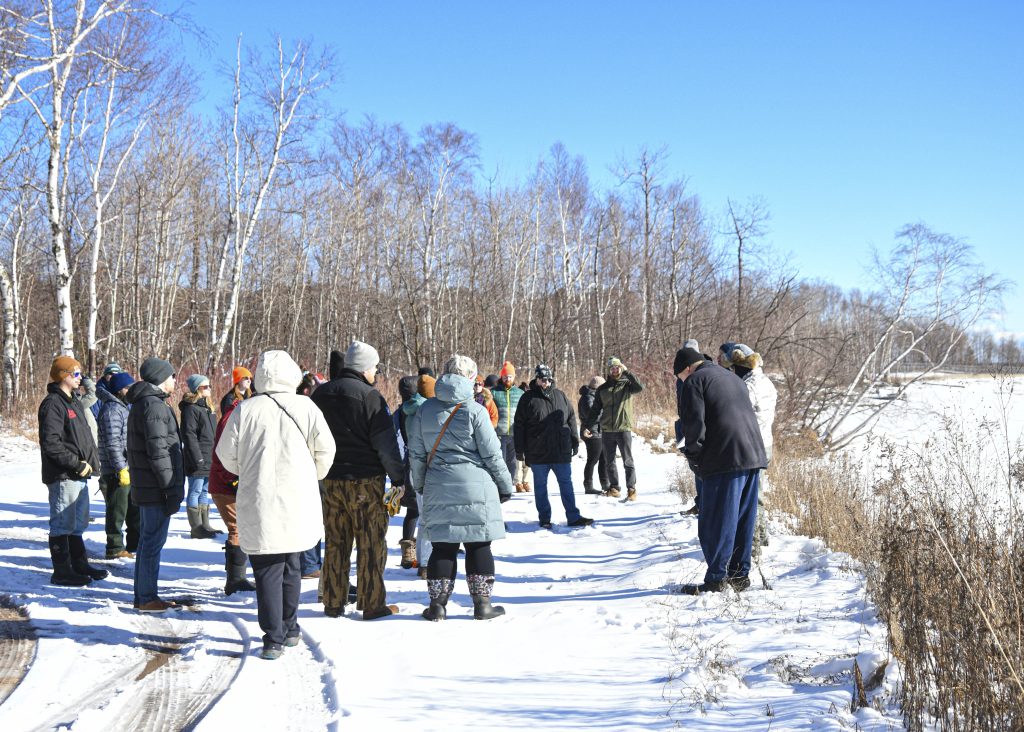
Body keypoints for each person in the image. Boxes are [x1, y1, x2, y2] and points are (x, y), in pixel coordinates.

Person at [217, 350, 335, 660]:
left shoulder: (246, 410)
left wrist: (249, 469)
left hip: (259, 496)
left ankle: (273, 637)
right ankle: (291, 627)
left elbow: (225, 454)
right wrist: (313, 474)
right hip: (298, 497)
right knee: (292, 565)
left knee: (267, 569)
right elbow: (326, 450)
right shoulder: (307, 406)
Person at [407, 354, 514, 620]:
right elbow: (492, 454)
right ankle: (482, 605)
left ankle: (437, 606)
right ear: (469, 378)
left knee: (443, 546)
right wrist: (505, 485)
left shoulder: (425, 410)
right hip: (476, 487)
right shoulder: (475, 410)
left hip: (438, 484)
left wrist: (420, 484)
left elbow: (417, 454)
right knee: (478, 545)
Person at [311, 340, 406, 620]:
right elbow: (386, 444)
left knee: (336, 540)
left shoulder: (321, 393)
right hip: (365, 481)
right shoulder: (370, 397)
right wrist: (398, 476)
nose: (376, 373)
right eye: (374, 367)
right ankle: (372, 602)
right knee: (371, 542)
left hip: (329, 479)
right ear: (364, 368)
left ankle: (332, 600)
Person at [673, 347, 767, 595]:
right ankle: (739, 575)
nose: (681, 382)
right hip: (753, 455)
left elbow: (694, 425)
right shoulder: (732, 377)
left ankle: (715, 579)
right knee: (743, 518)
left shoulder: (695, 380)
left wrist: (693, 456)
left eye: (679, 377)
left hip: (724, 458)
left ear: (685, 369)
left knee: (717, 519)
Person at [38, 356, 107, 587]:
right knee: (62, 523)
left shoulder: (74, 401)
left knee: (77, 523)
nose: (80, 378)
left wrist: (89, 464)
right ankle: (62, 571)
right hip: (64, 474)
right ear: (63, 376)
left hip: (80, 474)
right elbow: (52, 444)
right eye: (75, 374)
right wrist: (76, 463)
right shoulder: (53, 404)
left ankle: (79, 564)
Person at [127, 357, 184, 612]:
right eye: (172, 376)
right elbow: (159, 452)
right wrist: (169, 486)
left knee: (147, 542)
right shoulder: (154, 406)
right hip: (155, 488)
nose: (175, 380)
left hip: (148, 486)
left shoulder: (145, 403)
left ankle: (144, 594)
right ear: (161, 378)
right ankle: (147, 597)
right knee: (151, 543)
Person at [514, 364, 593, 529]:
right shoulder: (527, 398)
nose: (546, 382)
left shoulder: (561, 395)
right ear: (536, 379)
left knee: (566, 484)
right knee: (540, 486)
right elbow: (519, 425)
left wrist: (574, 440)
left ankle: (573, 516)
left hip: (560, 450)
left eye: (548, 379)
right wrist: (519, 449)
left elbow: (570, 419)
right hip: (538, 451)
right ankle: (544, 518)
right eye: (542, 379)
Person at [730, 344, 777, 557]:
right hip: (765, 442)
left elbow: (739, 413)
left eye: (734, 368)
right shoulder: (766, 382)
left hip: (753, 444)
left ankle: (753, 544)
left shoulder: (750, 386)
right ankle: (762, 535)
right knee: (758, 493)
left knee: (751, 495)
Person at [208, 391, 256, 595]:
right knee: (237, 528)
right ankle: (235, 579)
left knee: (239, 528)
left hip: (228, 482)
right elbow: (222, 455)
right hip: (225, 484)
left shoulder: (236, 414)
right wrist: (233, 480)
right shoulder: (233, 417)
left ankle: (235, 577)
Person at [97, 370, 140, 559]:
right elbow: (112, 442)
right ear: (121, 389)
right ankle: (114, 548)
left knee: (133, 510)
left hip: (128, 467)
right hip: (116, 470)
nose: (131, 390)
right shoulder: (112, 410)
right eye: (129, 387)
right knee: (117, 511)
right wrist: (120, 467)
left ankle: (133, 546)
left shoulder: (123, 406)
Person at [594, 356, 644, 500]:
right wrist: (590, 426)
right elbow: (595, 409)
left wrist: (627, 372)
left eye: (617, 368)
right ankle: (614, 488)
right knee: (609, 461)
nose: (615, 370)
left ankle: (631, 489)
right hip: (607, 430)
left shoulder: (627, 386)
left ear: (621, 368)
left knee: (627, 460)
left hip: (623, 429)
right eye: (612, 368)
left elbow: (640, 387)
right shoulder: (603, 389)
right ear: (609, 371)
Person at [180, 374, 221, 539]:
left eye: (209, 386)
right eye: (206, 387)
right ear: (197, 389)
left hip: (209, 456)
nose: (209, 389)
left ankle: (205, 524)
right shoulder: (191, 408)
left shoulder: (207, 408)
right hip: (197, 457)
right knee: (195, 490)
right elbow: (189, 436)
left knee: (205, 491)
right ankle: (196, 527)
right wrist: (197, 458)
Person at [297, 371, 326, 579]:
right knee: (309, 518)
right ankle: (308, 564)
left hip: (296, 470)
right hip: (306, 470)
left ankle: (308, 563)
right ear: (307, 390)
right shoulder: (307, 409)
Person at [394, 375, 423, 571]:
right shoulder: (423, 409)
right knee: (424, 511)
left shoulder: (397, 413)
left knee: (411, 511)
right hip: (419, 463)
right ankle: (424, 557)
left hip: (404, 464)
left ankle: (407, 552)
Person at [491, 362, 527, 492]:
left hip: (514, 432)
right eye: (505, 376)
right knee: (501, 460)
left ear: (514, 377)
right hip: (499, 433)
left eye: (510, 376)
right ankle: (500, 485)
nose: (508, 379)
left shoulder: (520, 393)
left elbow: (524, 412)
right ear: (502, 377)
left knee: (513, 461)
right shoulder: (494, 393)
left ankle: (510, 485)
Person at [676, 338, 702, 516]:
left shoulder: (701, 374)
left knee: (701, 466)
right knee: (695, 467)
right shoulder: (681, 375)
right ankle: (700, 502)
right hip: (686, 422)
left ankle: (704, 504)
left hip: (699, 426)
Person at [577, 376, 609, 495]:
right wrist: (607, 414)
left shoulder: (595, 396)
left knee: (603, 459)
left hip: (599, 431)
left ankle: (605, 483)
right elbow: (592, 415)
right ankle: (588, 485)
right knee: (593, 459)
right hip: (591, 432)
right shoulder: (587, 398)